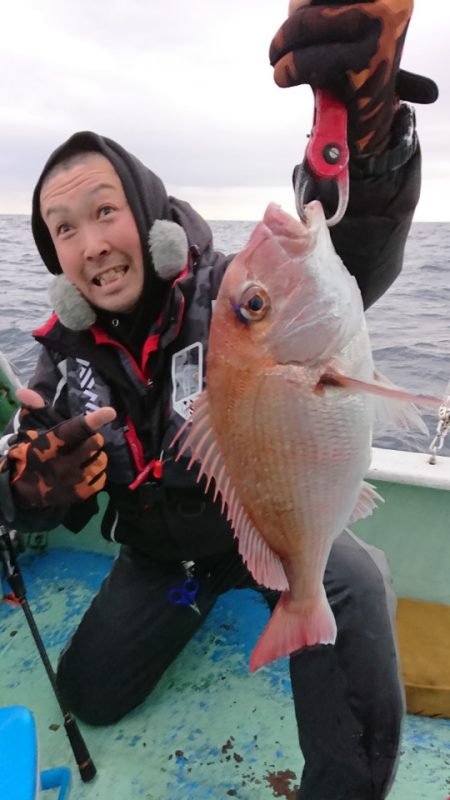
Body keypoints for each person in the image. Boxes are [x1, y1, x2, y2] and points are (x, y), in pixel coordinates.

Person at [0, 2, 438, 798]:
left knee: (353, 581)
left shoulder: (231, 297)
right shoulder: (60, 357)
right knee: (89, 695)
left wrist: (372, 147)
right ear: (54, 254)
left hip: (267, 528)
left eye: (105, 212)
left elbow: (351, 258)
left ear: (148, 215)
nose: (92, 244)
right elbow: (27, 473)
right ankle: (194, 603)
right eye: (64, 229)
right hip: (163, 558)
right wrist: (29, 494)